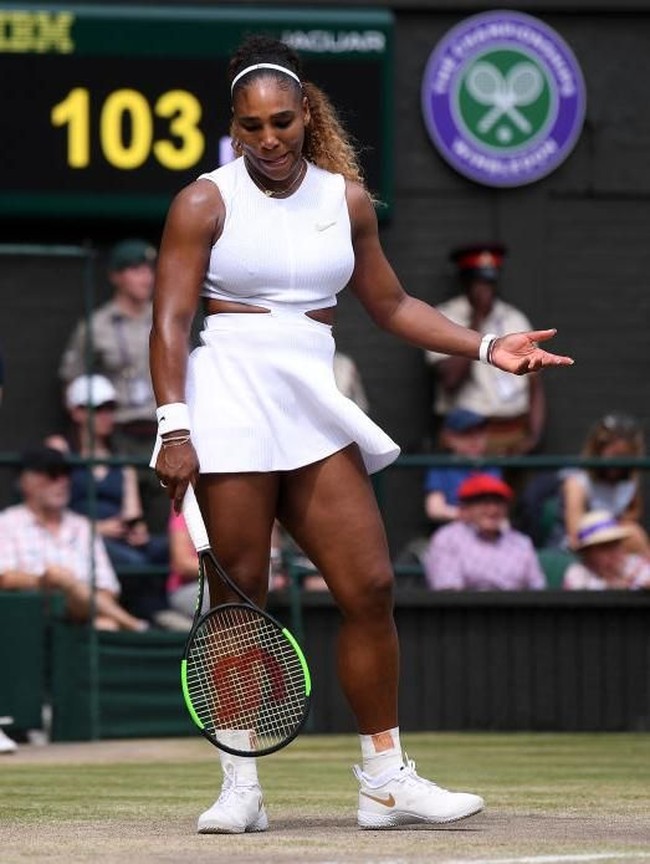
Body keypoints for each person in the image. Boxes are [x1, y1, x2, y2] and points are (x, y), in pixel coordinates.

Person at [149, 34, 573, 834]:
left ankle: (385, 779)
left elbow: (392, 305)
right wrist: (174, 427)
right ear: (233, 128)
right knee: (240, 599)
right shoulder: (203, 201)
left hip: (311, 397)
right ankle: (241, 787)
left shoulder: (344, 200)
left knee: (370, 585)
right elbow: (169, 323)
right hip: (230, 397)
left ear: (306, 113)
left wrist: (487, 346)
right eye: (252, 127)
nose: (269, 140)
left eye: (282, 121)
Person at [59, 238, 168, 533]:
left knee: (167, 513)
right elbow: (73, 380)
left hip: (164, 428)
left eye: (149, 268)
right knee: (125, 519)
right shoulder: (97, 325)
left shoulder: (166, 316)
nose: (146, 276)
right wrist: (85, 434)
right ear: (115, 276)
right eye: (135, 269)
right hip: (117, 431)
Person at [46, 374, 170, 624]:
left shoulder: (121, 459)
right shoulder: (60, 450)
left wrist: (137, 530)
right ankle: (149, 618)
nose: (106, 416)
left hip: (121, 539)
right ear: (77, 413)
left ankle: (163, 615)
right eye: (98, 409)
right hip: (77, 538)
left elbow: (133, 512)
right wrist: (98, 528)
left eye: (110, 409)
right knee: (134, 561)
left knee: (167, 550)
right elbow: (48, 508)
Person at [0, 446, 148, 632]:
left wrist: (68, 588)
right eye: (52, 475)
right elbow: (4, 578)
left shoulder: (83, 527)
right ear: (26, 482)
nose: (62, 482)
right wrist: (45, 581)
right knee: (61, 580)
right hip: (27, 621)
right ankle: (132, 624)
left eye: (66, 474)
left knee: (105, 624)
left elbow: (108, 589)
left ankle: (128, 624)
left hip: (80, 619)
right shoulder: (6, 523)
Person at [424, 244, 546, 455]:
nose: (485, 289)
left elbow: (534, 385)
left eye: (490, 282)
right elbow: (450, 380)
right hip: (466, 437)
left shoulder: (514, 319)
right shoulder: (445, 317)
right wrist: (477, 319)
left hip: (514, 433)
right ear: (464, 281)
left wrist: (534, 436)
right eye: (478, 282)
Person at [423, 473, 545, 591]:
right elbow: (448, 593)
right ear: (465, 508)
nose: (492, 510)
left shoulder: (521, 543)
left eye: (498, 503)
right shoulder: (448, 539)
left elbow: (537, 589)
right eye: (484, 503)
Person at [562, 413, 649, 558]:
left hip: (615, 548)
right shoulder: (577, 482)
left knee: (634, 533)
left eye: (624, 457)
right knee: (634, 535)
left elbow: (634, 510)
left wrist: (623, 523)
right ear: (598, 451)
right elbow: (575, 535)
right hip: (581, 549)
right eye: (613, 456)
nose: (617, 465)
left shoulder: (629, 481)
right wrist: (612, 531)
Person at [424, 408, 502, 527]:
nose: (475, 438)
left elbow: (500, 513)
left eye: (480, 432)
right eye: (466, 433)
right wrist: (470, 516)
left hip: (488, 533)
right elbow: (435, 510)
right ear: (449, 438)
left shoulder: (492, 467)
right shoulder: (441, 466)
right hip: (453, 529)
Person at [563, 510, 650, 590]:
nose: (614, 552)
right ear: (588, 553)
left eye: (616, 544)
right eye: (605, 547)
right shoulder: (577, 573)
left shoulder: (637, 564)